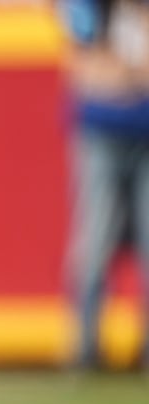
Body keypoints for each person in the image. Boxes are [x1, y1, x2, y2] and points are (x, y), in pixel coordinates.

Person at [60, 0, 149, 371]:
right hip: (101, 135)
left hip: (143, 134)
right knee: (94, 242)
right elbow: (85, 71)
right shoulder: (88, 8)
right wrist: (130, 75)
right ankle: (85, 346)